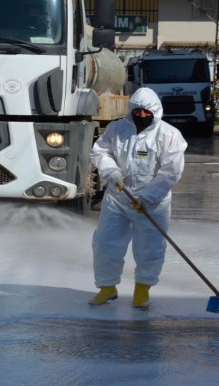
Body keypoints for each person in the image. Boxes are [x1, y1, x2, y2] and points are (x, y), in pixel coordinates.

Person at [89, 87, 188, 309]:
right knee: (105, 243)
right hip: (118, 197)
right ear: (131, 109)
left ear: (155, 111)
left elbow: (171, 171)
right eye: (137, 111)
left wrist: (149, 196)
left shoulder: (169, 135)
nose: (141, 116)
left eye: (146, 112)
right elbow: (100, 151)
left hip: (152, 202)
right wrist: (110, 171)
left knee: (149, 246)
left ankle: (142, 289)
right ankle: (107, 288)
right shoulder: (117, 128)